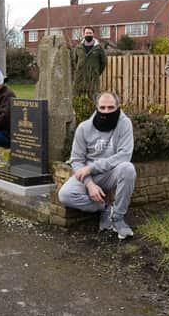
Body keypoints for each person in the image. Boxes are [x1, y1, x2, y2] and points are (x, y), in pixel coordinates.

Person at [58, 92, 136, 240]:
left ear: (118, 107)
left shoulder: (124, 124)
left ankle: (118, 218)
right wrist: (89, 184)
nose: (106, 111)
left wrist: (93, 167)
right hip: (88, 175)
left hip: (112, 172)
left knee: (128, 168)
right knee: (65, 195)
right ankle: (106, 209)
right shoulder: (84, 128)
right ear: (97, 107)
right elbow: (76, 160)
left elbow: (125, 155)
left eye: (111, 108)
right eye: (103, 107)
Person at [72, 26, 107, 97]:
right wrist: (80, 69)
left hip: (93, 79)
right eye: (87, 33)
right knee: (78, 99)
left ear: (93, 34)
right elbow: (74, 60)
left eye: (90, 33)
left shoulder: (99, 48)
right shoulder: (78, 47)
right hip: (80, 78)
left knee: (93, 99)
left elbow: (103, 62)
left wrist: (96, 72)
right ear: (84, 34)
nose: (88, 34)